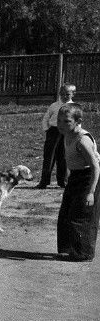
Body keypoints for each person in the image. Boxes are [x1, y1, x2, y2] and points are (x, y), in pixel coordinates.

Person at [56, 103, 100, 262]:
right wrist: (69, 175)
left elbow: (96, 167)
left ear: (78, 121)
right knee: (66, 214)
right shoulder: (67, 134)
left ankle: (83, 253)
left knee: (81, 216)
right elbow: (71, 158)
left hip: (89, 178)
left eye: (66, 121)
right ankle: (67, 249)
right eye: (59, 120)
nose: (61, 124)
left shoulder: (82, 140)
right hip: (76, 177)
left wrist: (91, 192)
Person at [37, 83, 76, 189]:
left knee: (64, 157)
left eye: (67, 94)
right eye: (62, 94)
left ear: (73, 94)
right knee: (49, 157)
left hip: (67, 133)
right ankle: (44, 181)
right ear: (59, 94)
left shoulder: (74, 107)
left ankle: (63, 181)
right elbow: (46, 118)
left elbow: (77, 121)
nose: (64, 96)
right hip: (53, 132)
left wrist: (75, 133)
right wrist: (47, 129)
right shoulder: (54, 106)